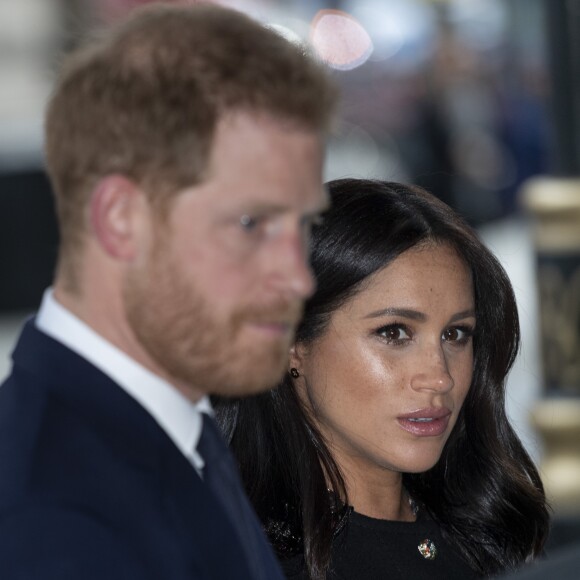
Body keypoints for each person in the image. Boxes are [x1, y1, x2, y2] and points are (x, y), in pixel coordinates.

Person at [0, 3, 337, 579]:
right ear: (121, 218)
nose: (298, 277)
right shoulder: (50, 518)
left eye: (304, 226)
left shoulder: (178, 424)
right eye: (251, 224)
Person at [215, 178, 550, 579]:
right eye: (394, 332)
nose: (439, 377)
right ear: (291, 345)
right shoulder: (243, 560)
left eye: (455, 334)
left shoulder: (494, 535)